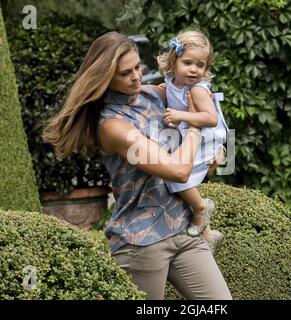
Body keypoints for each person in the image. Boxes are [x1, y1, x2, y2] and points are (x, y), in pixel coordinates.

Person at [42, 31, 232, 300]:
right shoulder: (113, 127)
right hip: (142, 242)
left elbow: (197, 103)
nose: (136, 77)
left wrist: (218, 148)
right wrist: (195, 127)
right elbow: (177, 170)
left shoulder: (153, 95)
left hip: (183, 227)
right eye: (125, 73)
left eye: (137, 67)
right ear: (105, 78)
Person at [157, 31, 229, 253]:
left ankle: (201, 208)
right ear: (173, 61)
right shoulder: (170, 82)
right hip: (192, 138)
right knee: (176, 177)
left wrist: (181, 117)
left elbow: (211, 118)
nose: (194, 70)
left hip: (206, 138)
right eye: (187, 62)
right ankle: (208, 235)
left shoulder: (197, 90)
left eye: (200, 65)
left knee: (176, 177)